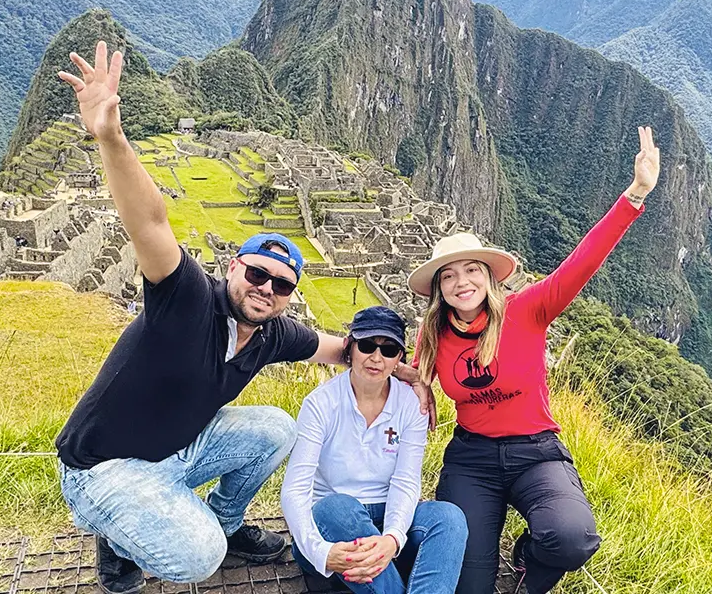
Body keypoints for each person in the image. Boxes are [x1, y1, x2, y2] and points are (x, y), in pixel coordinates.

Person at [53, 42, 432, 594]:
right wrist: (110, 137)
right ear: (235, 267)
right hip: (102, 466)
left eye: (281, 285)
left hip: (180, 450)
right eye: (257, 274)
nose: (266, 289)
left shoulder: (273, 331)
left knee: (278, 429)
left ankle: (224, 523)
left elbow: (341, 349)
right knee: (195, 557)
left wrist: (398, 368)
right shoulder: (185, 297)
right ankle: (116, 537)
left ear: (288, 295)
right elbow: (152, 224)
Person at [408, 126, 661, 594]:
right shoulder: (434, 331)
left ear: (488, 277)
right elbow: (412, 367)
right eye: (449, 276)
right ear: (439, 290)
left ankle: (528, 561)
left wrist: (635, 194)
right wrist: (417, 381)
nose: (461, 282)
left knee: (571, 539)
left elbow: (582, 261)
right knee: (469, 586)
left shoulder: (528, 310)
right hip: (472, 459)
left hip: (535, 452)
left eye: (471, 271)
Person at [282, 306, 466, 594]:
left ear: (399, 359)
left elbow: (405, 480)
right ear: (350, 348)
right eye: (367, 345)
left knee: (448, 518)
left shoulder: (410, 404)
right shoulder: (321, 404)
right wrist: (319, 552)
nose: (377, 358)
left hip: (386, 518)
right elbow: (295, 488)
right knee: (335, 507)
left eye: (389, 349)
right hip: (332, 531)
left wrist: (392, 538)